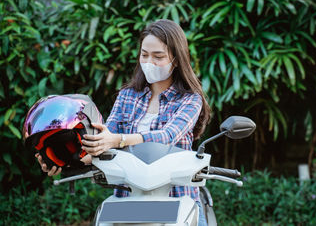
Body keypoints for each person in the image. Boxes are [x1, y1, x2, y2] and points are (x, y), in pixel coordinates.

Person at [36, 19, 211, 225]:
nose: (149, 62)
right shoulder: (128, 95)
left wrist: (118, 140)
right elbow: (104, 141)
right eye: (144, 55)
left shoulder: (190, 99)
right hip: (128, 201)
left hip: (177, 200)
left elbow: (168, 136)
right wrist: (63, 159)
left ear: (176, 59)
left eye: (158, 56)